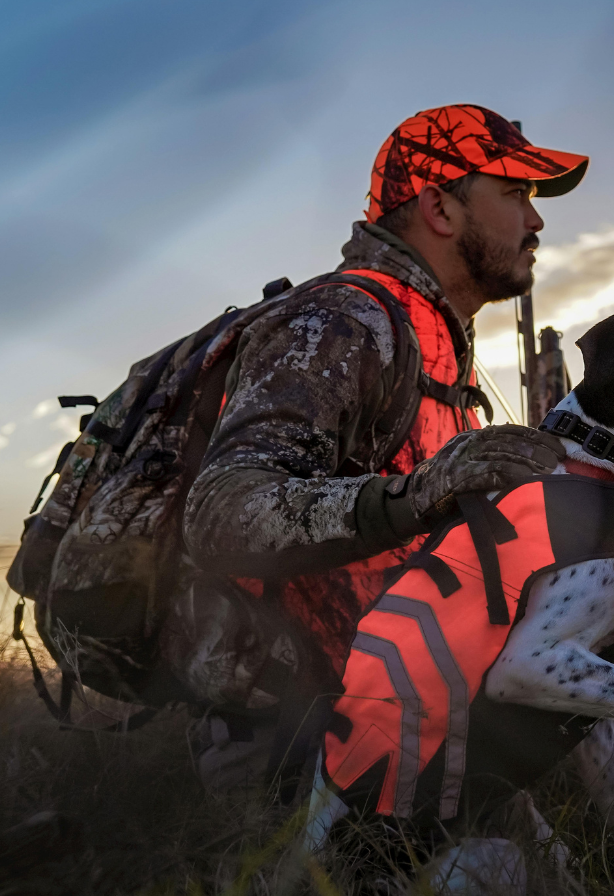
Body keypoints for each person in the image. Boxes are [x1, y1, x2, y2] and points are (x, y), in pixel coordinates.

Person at [180, 104, 588, 791]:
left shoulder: (436, 338)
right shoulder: (345, 321)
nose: (537, 221)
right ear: (439, 207)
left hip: (390, 709)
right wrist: (415, 495)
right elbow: (221, 511)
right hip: (292, 726)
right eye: (515, 193)